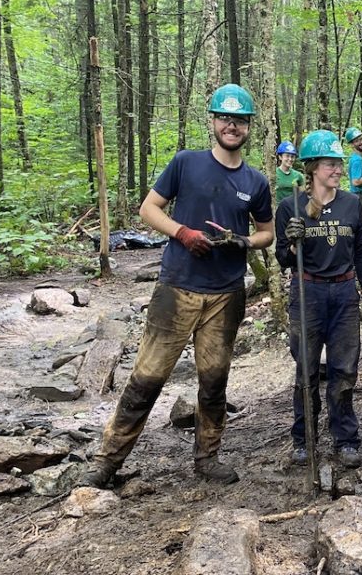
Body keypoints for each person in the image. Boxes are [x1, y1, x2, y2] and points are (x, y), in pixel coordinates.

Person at [80, 83, 274, 487]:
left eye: (239, 120)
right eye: (225, 118)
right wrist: (182, 233)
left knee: (214, 379)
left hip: (226, 292)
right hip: (177, 286)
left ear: (249, 127)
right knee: (148, 376)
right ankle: (107, 461)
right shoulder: (186, 163)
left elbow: (266, 232)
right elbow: (149, 208)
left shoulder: (255, 182)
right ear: (214, 122)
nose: (232, 126)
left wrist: (243, 241)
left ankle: (207, 457)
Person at [275, 129, 362, 469]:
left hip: (345, 294)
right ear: (313, 167)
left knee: (344, 369)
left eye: (339, 164)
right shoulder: (291, 205)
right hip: (308, 292)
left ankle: (346, 438)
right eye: (331, 164)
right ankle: (304, 439)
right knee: (306, 369)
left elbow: (360, 248)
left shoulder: (351, 204)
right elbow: (283, 259)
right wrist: (292, 241)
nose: (337, 170)